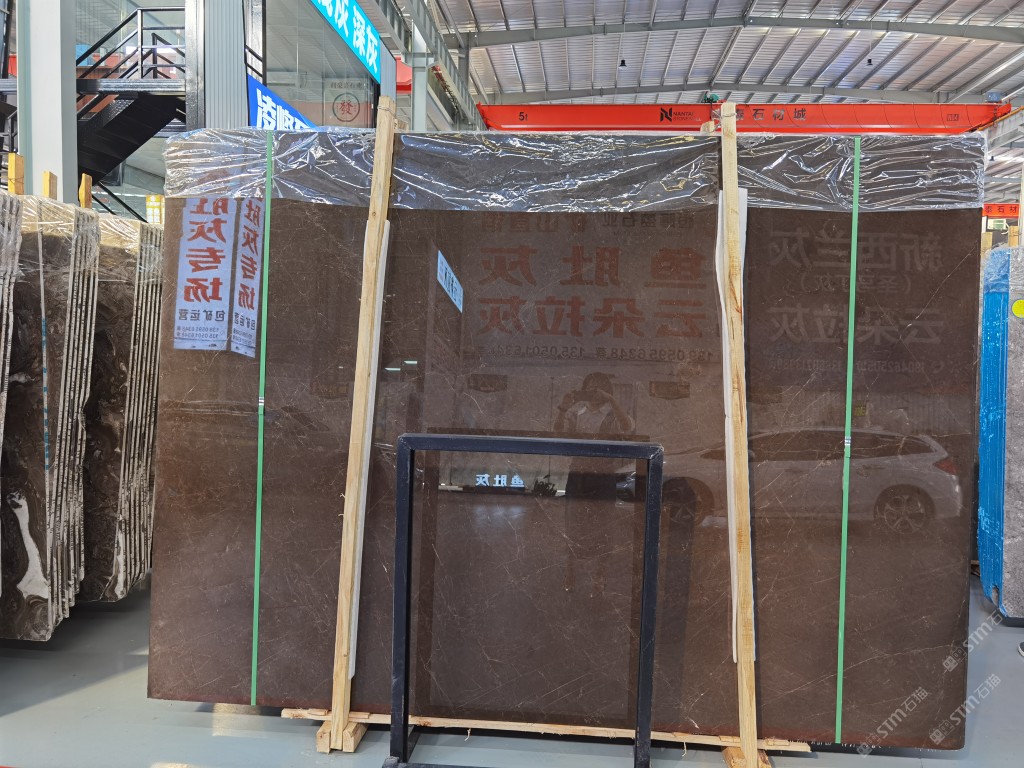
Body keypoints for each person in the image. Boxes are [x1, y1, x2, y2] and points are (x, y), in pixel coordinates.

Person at [554, 372, 634, 597]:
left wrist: (613, 401)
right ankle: (570, 573)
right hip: (578, 475)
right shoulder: (576, 413)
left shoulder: (613, 414)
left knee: (604, 527)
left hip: (604, 476)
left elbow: (627, 427)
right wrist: (563, 408)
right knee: (574, 525)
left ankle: (600, 576)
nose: (595, 391)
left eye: (601, 387)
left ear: (607, 391)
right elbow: (558, 433)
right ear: (584, 389)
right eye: (591, 387)